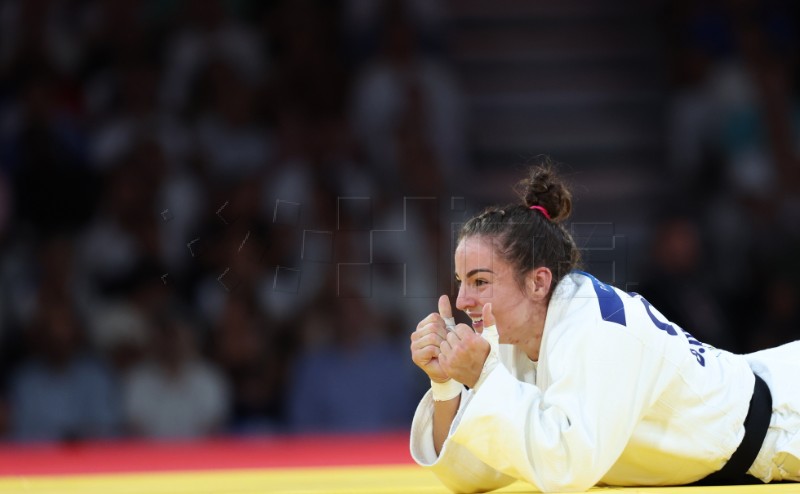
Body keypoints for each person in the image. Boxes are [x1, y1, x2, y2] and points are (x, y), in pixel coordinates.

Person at [408, 163, 800, 492]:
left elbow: (566, 468)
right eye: (460, 282)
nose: (462, 301)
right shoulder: (512, 335)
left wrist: (482, 376)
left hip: (787, 423)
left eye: (479, 281)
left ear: (538, 282)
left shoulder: (597, 329)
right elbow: (478, 471)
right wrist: (445, 387)